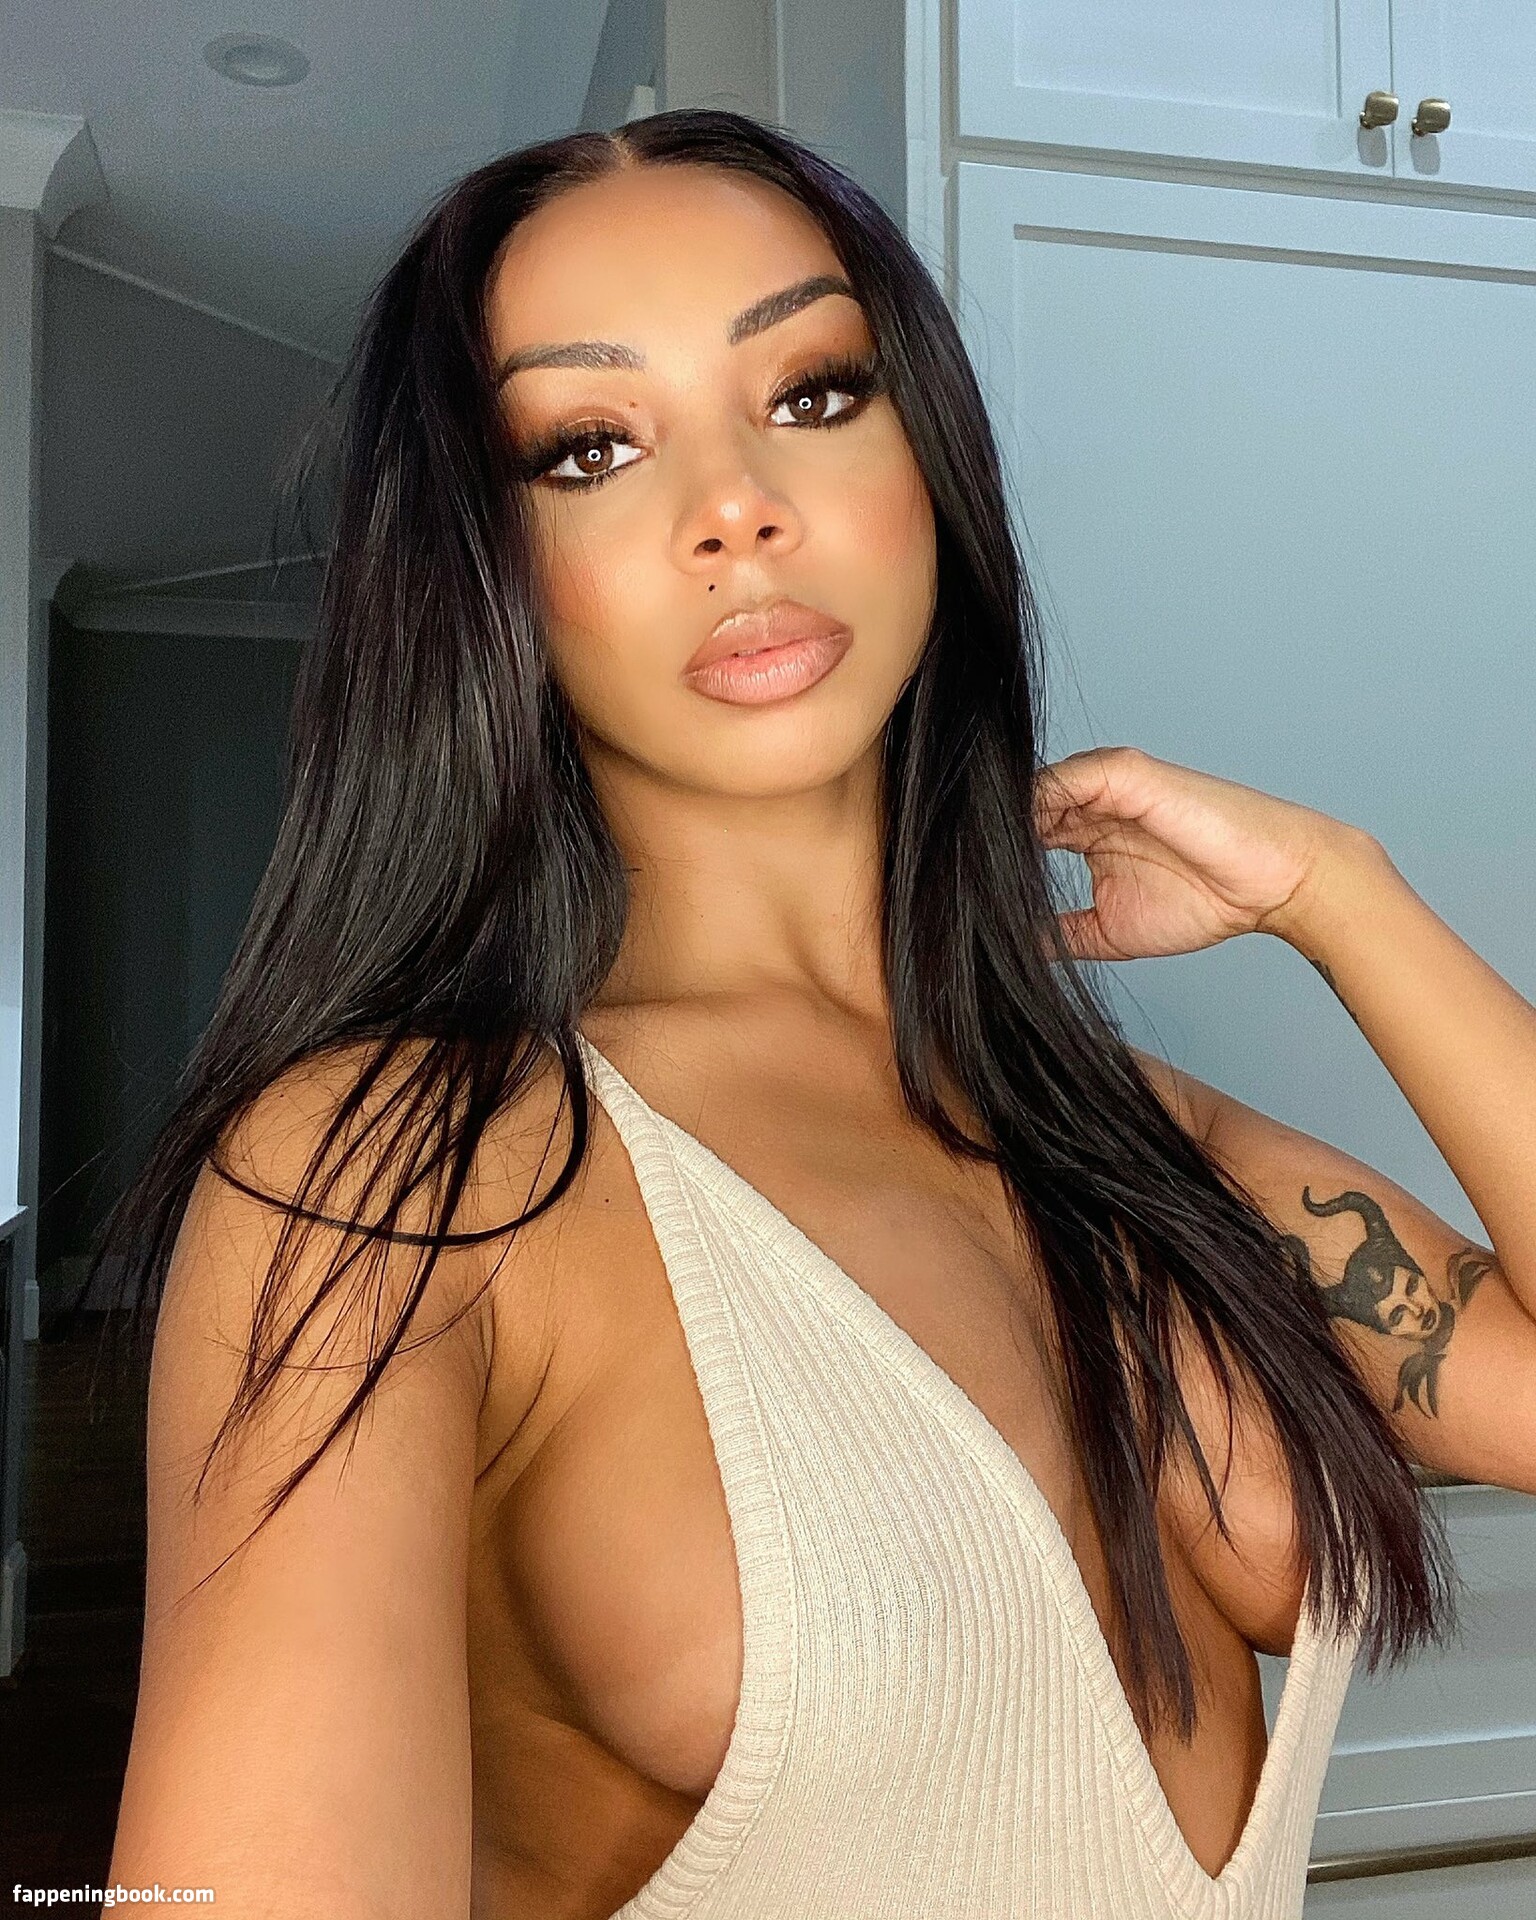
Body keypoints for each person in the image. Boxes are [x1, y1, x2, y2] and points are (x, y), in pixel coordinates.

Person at [97, 109, 1536, 1919]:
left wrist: (1343, 897)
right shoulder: (388, 1193)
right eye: (591, 446)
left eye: (812, 392)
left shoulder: (1137, 1140)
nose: (735, 507)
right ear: (486, 571)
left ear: (925, 460)